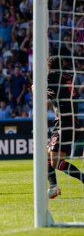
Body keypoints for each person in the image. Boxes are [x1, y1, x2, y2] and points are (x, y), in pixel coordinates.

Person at [46, 56, 84, 199]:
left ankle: (56, 186)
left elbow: (41, 95)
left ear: (49, 67)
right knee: (45, 156)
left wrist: (34, 88)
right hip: (71, 121)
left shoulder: (52, 76)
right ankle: (53, 187)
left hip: (64, 122)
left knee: (55, 162)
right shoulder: (67, 76)